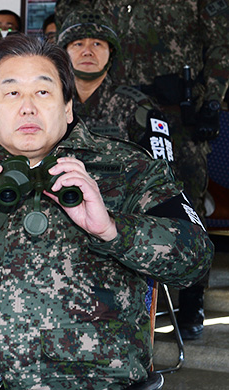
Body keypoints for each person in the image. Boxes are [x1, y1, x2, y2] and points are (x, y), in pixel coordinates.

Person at [0, 34, 213, 389]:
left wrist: (113, 229)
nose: (27, 107)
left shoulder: (128, 167)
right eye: (12, 93)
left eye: (43, 92)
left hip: (89, 379)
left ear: (67, 107)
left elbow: (197, 257)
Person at [55, 0, 229, 340]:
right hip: (100, 99)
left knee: (183, 199)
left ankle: (192, 302)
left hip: (176, 110)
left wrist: (212, 100)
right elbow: (72, 28)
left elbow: (220, 43)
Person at [57, 9, 172, 157]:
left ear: (111, 52)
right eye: (78, 44)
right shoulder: (51, 103)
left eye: (97, 44)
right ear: (65, 52)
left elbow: (162, 174)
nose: (87, 52)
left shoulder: (137, 108)